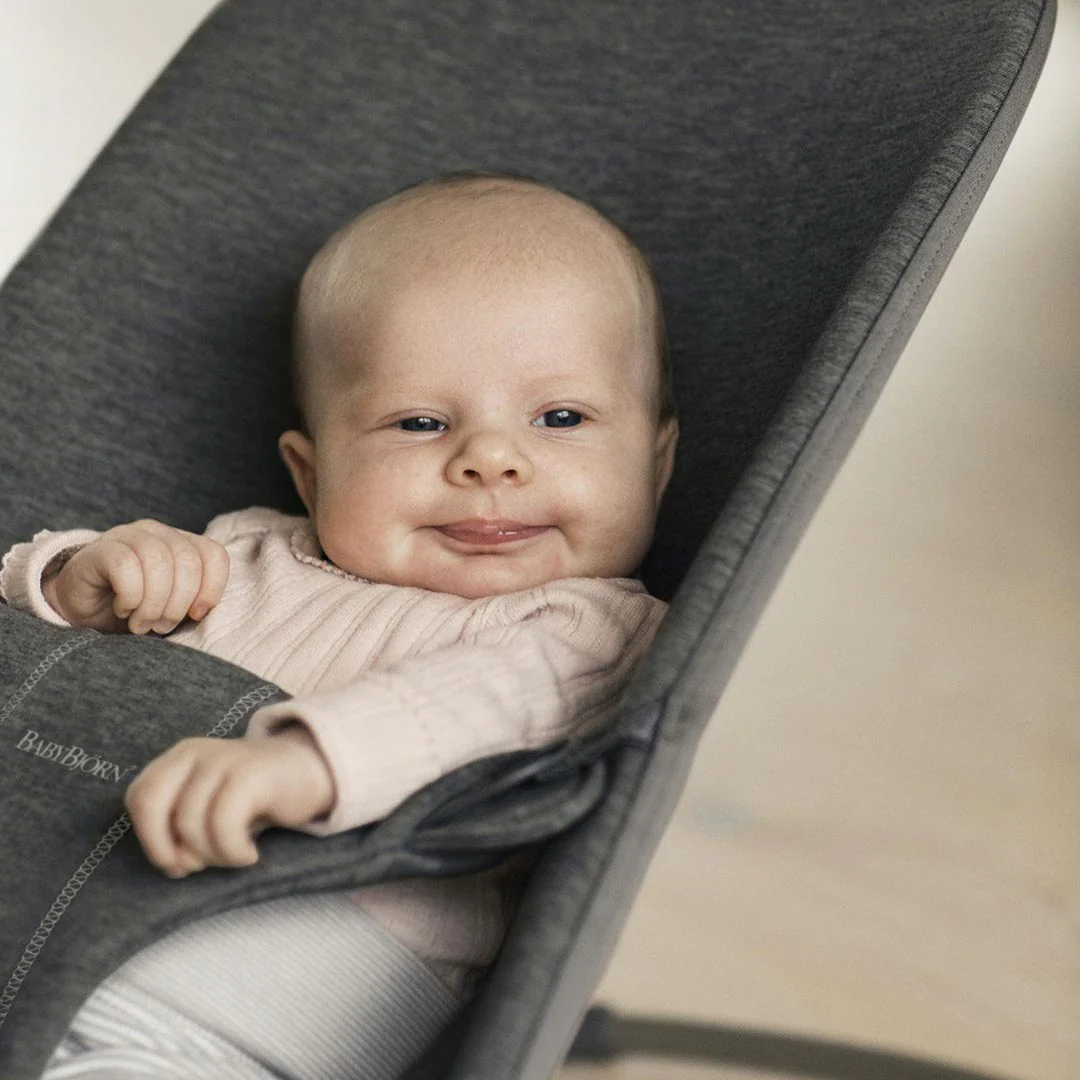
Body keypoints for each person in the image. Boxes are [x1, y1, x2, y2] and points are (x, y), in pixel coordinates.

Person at [1, 171, 679, 1080]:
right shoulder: (245, 551)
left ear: (656, 466)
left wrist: (308, 760)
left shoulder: (595, 629)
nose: (490, 459)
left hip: (243, 1012)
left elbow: (483, 706)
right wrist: (76, 581)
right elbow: (45, 679)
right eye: (419, 422)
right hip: (38, 905)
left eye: (561, 417)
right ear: (312, 474)